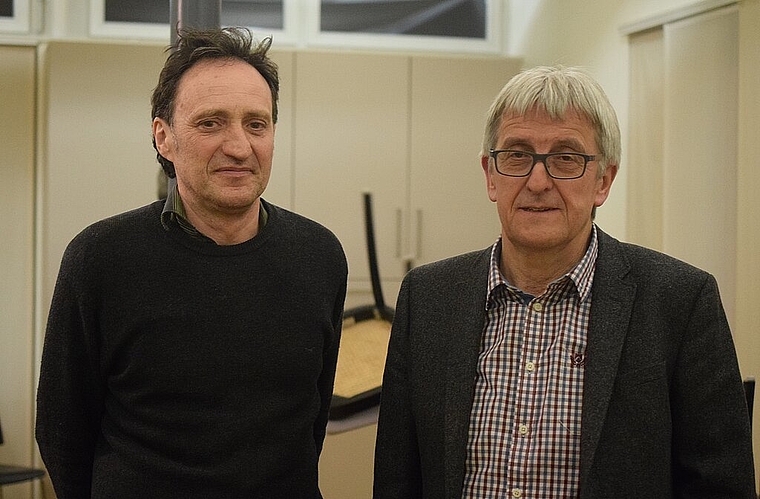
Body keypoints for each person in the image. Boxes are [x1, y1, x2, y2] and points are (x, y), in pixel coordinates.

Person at [373, 65, 755, 498]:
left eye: (566, 159)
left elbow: (721, 486)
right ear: (490, 175)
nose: (538, 182)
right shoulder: (428, 298)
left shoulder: (681, 303)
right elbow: (397, 479)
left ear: (603, 181)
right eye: (517, 155)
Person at [35, 27, 347, 499]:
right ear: (164, 136)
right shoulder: (100, 258)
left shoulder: (319, 255)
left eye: (256, 124)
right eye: (210, 123)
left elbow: (311, 424)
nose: (240, 146)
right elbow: (62, 430)